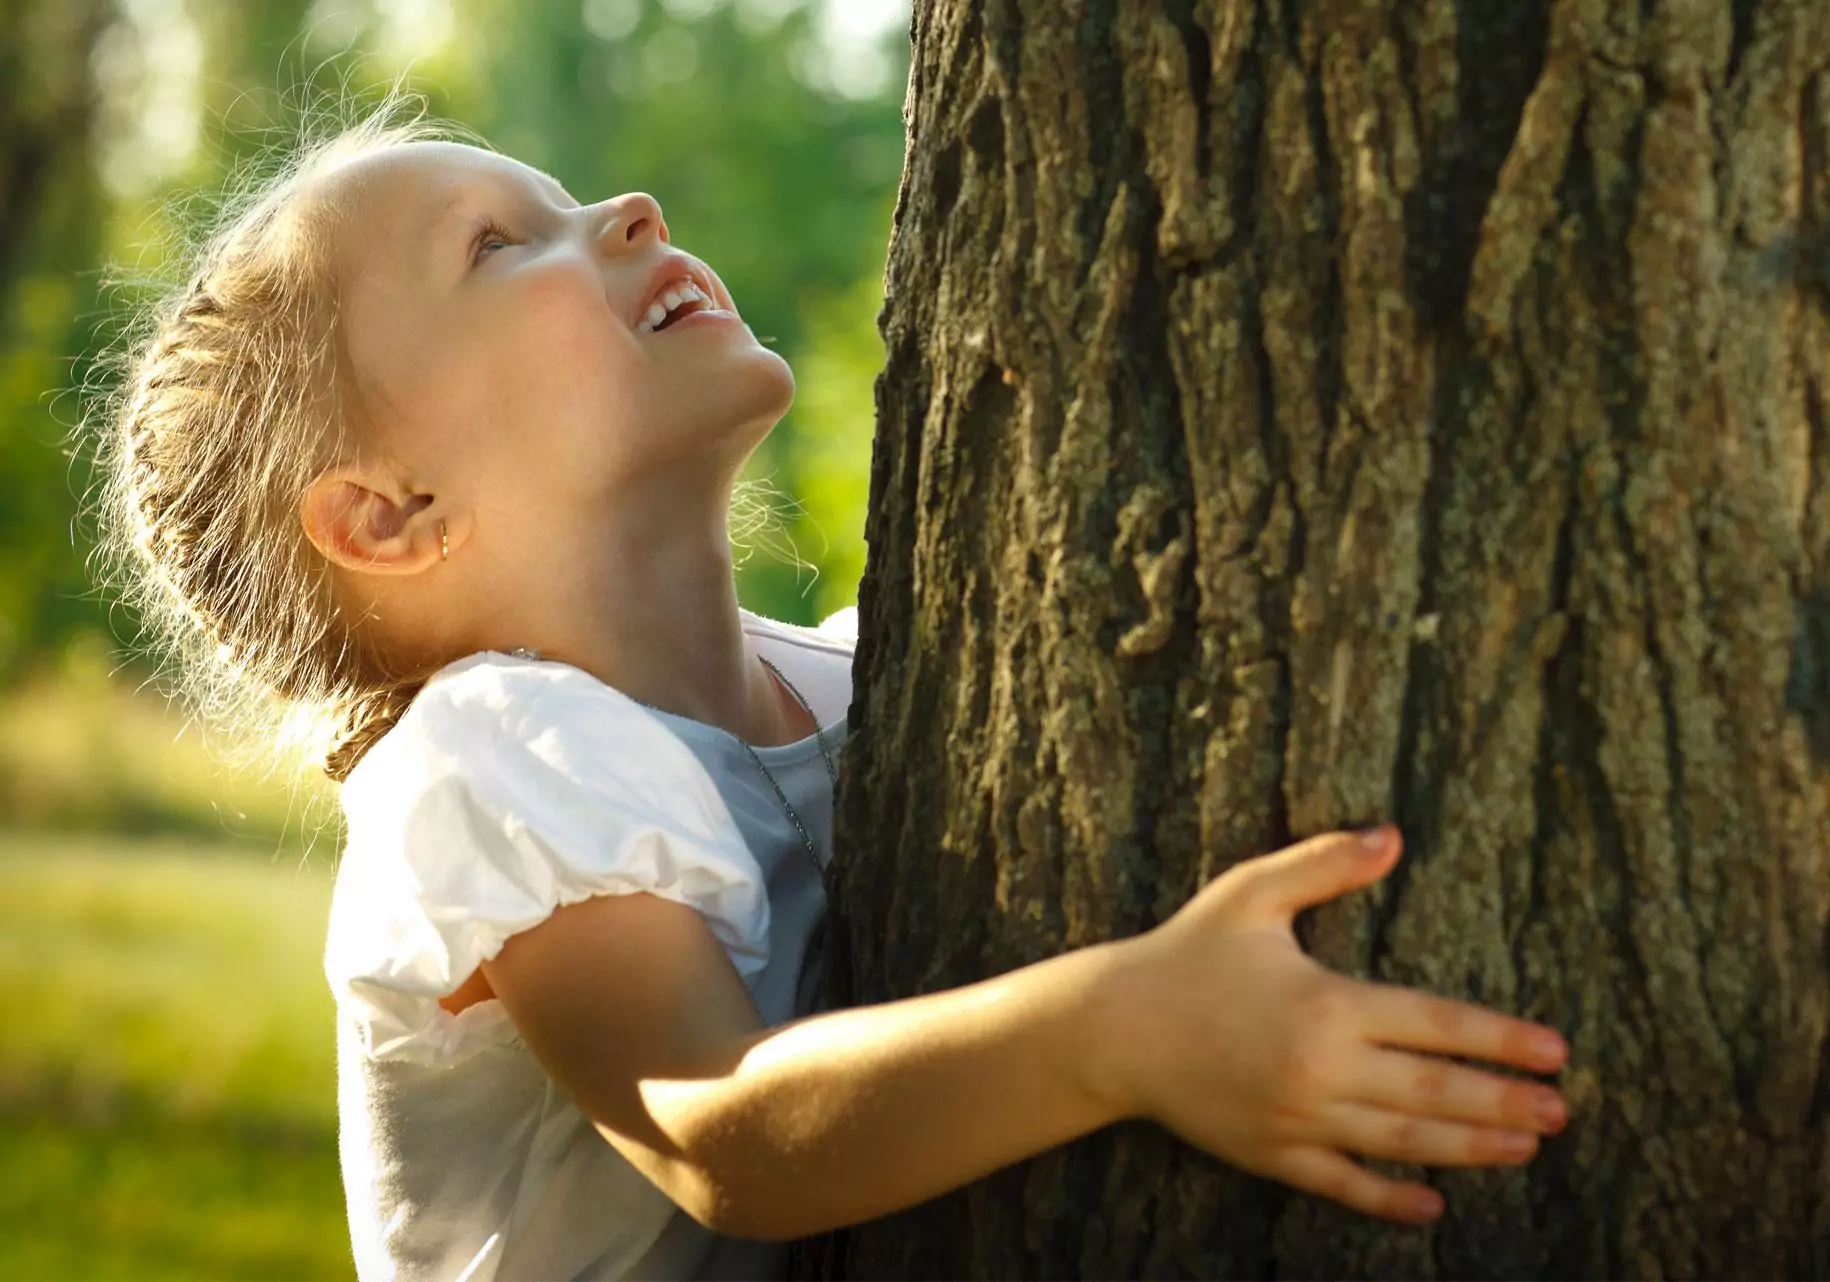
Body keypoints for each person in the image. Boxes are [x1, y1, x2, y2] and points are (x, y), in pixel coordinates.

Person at [93, 100, 1572, 1280]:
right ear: (392, 515)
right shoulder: (488, 764)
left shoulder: (872, 672)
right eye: (499, 243)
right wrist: (1131, 1029)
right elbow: (724, 1130)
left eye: (567, 199)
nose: (629, 210)